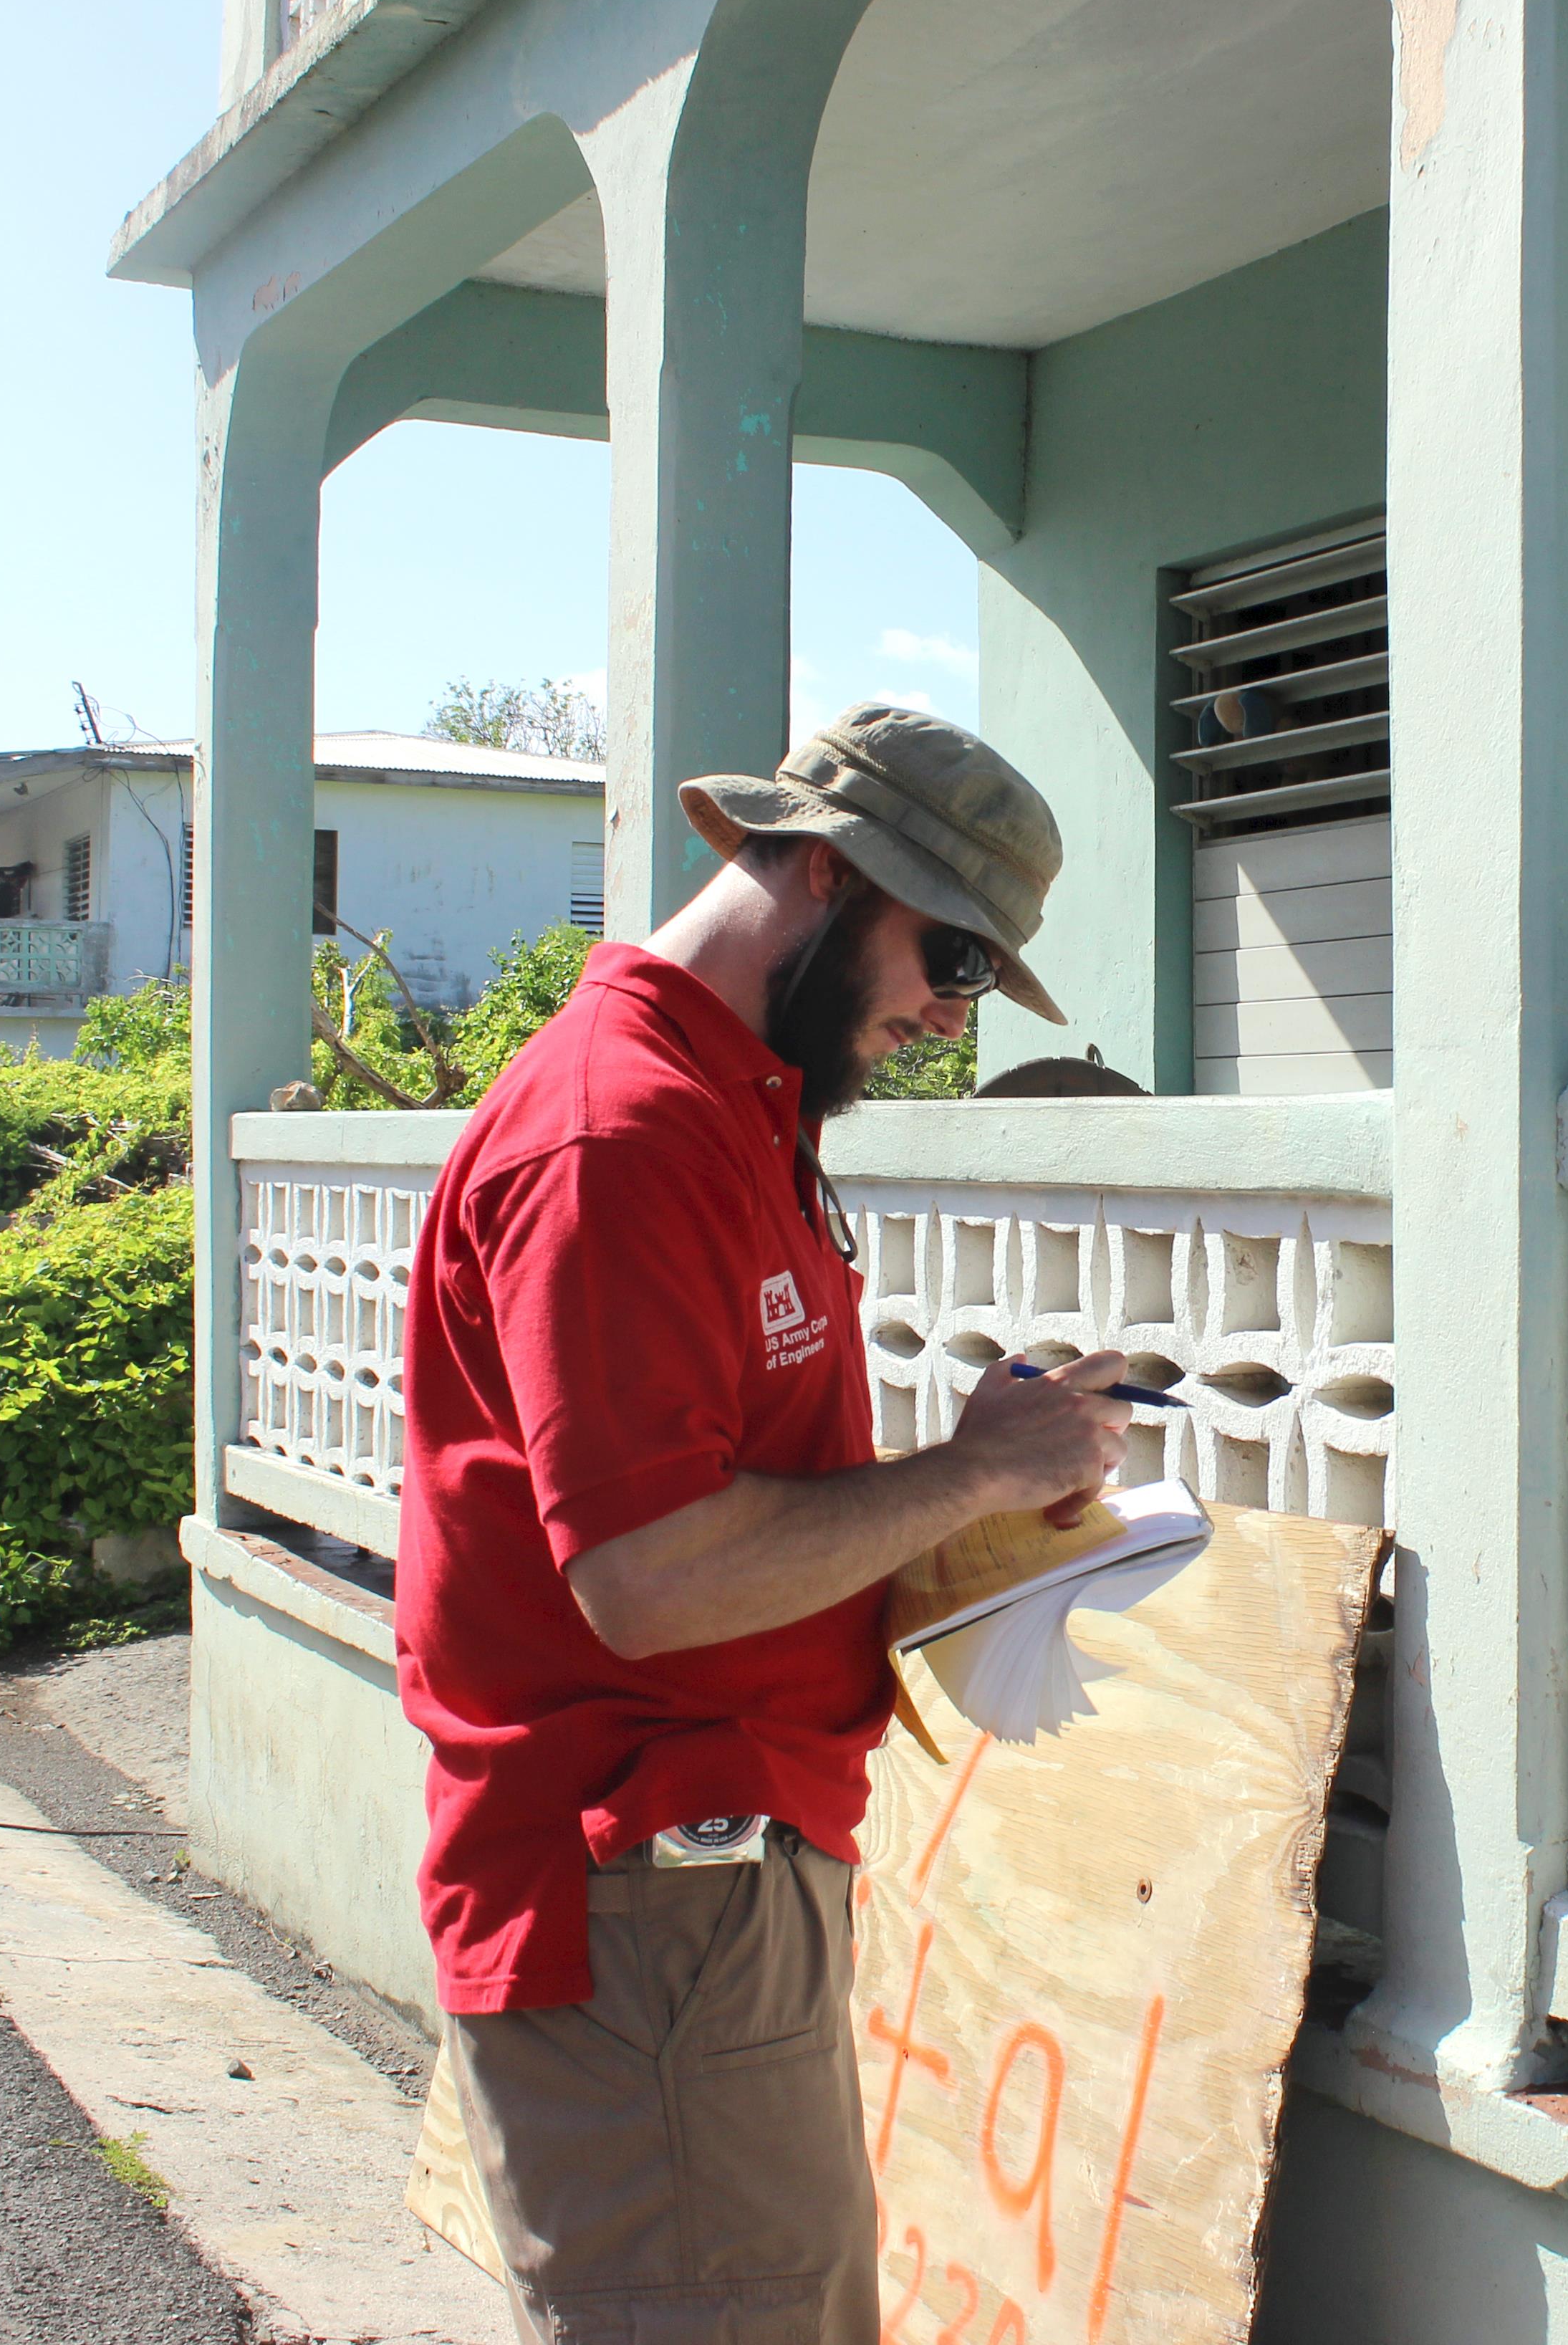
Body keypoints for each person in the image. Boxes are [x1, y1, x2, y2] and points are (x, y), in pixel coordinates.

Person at [393, 704, 1135, 2343]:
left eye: (978, 980)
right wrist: (968, 1478)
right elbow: (649, 1580)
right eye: (946, 957)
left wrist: (990, 1501)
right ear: (814, 867)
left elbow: (740, 1503)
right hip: (652, 1887)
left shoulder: (731, 1105)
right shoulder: (625, 1133)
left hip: (705, 1883)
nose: (949, 1016)